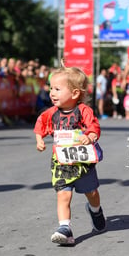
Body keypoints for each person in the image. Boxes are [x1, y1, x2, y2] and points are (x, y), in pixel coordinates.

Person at [34, 62, 106, 246]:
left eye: (57, 89)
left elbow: (94, 127)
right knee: (63, 195)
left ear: (74, 93)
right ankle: (64, 228)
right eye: (51, 88)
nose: (52, 93)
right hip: (61, 163)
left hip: (82, 163)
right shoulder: (51, 113)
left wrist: (90, 136)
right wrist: (39, 139)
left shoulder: (83, 111)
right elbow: (40, 124)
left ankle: (95, 210)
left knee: (92, 193)